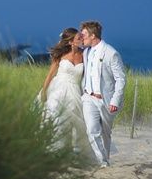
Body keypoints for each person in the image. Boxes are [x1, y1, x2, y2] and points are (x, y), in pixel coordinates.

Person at [38, 28, 94, 161]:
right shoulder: (60, 55)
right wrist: (44, 91)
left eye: (81, 37)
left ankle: (67, 151)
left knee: (74, 122)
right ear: (70, 42)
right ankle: (53, 151)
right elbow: (50, 75)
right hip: (58, 90)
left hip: (74, 92)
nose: (81, 39)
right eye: (78, 38)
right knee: (57, 118)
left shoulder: (84, 55)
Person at [79, 21, 126, 167]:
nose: (82, 37)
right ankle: (103, 162)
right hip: (88, 97)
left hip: (106, 100)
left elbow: (121, 79)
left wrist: (115, 101)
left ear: (93, 36)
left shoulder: (111, 53)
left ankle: (105, 159)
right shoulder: (85, 52)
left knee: (105, 133)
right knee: (92, 130)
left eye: (84, 34)